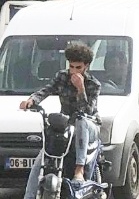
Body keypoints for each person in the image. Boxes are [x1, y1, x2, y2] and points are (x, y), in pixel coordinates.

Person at [20, 43, 101, 197]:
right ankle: (29, 196)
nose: (74, 71)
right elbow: (46, 89)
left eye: (78, 67)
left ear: (86, 66)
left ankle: (79, 169)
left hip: (89, 125)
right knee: (41, 159)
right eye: (72, 66)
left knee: (81, 119)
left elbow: (87, 110)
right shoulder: (62, 76)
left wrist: (81, 88)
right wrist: (32, 100)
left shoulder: (93, 84)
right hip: (67, 125)